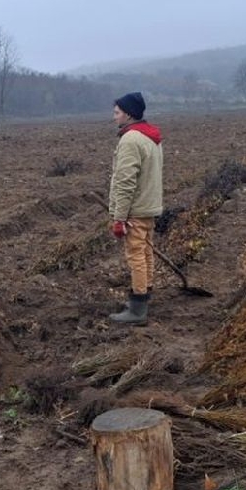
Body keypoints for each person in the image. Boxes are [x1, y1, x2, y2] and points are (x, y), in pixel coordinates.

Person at [107, 92, 163, 325]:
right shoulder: (152, 137)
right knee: (146, 252)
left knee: (136, 255)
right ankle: (144, 295)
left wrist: (119, 218)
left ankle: (138, 310)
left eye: (117, 112)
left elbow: (125, 182)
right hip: (149, 207)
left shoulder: (130, 140)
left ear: (128, 114)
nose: (114, 117)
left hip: (136, 210)